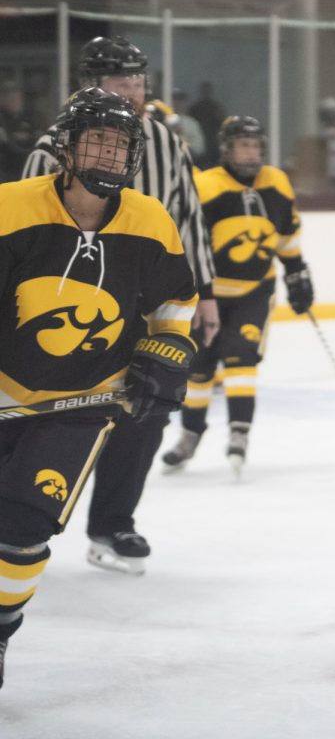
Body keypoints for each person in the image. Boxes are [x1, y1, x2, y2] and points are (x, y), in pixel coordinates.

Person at [0, 87, 198, 687]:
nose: (110, 155)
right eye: (98, 141)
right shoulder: (10, 208)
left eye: (120, 145)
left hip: (85, 404)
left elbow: (174, 300)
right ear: (66, 147)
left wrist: (166, 351)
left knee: (25, 525)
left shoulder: (149, 218)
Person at [22, 35, 218, 576]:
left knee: (143, 410)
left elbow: (188, 215)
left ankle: (113, 523)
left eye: (139, 82)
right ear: (90, 85)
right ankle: (21, 525)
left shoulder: (163, 139)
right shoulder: (53, 147)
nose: (134, 93)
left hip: (146, 301)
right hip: (66, 309)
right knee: (47, 420)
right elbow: (23, 236)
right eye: (121, 83)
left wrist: (205, 292)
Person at [159, 115, 312, 475]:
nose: (251, 152)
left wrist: (296, 274)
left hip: (254, 293)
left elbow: (287, 232)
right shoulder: (205, 185)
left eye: (256, 145)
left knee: (241, 356)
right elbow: (191, 243)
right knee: (198, 367)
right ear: (227, 149)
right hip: (207, 295)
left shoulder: (277, 182)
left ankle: (239, 432)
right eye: (244, 145)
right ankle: (191, 434)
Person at [0, 81, 35, 184]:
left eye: (18, 99)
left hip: (24, 170)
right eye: (12, 99)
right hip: (5, 171)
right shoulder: (2, 120)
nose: (16, 102)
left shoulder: (29, 119)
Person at [188, 81, 225, 168]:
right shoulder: (195, 107)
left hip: (212, 140)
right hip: (198, 138)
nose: (206, 91)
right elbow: (191, 123)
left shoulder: (216, 107)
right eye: (204, 89)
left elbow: (222, 122)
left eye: (207, 89)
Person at [171, 88, 207, 161]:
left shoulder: (192, 123)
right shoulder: (163, 121)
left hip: (189, 161)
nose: (177, 103)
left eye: (180, 100)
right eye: (175, 100)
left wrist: (186, 144)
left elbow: (200, 149)